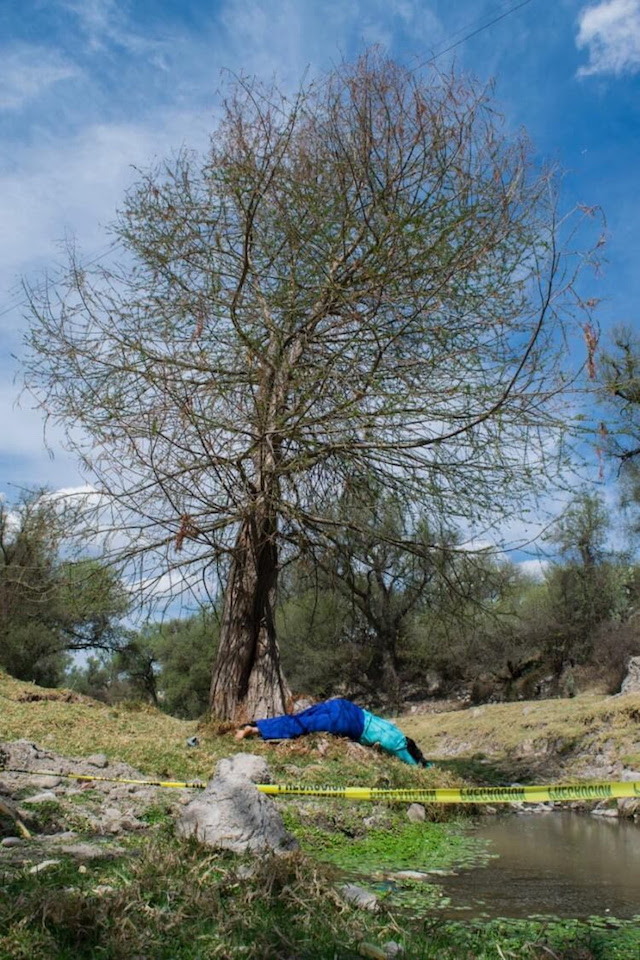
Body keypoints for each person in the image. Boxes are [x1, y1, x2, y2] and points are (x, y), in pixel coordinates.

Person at [235, 697, 431, 767]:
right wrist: (424, 766)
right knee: (301, 726)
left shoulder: (394, 730)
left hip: (345, 707)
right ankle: (256, 729)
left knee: (301, 717)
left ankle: (255, 724)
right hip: (347, 723)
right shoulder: (398, 745)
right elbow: (415, 765)